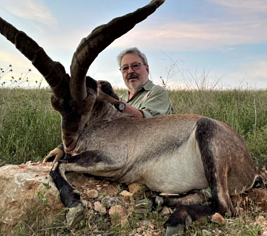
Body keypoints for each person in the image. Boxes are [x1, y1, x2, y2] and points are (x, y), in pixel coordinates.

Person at [43, 47, 173, 164]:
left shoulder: (157, 92)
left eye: (135, 66)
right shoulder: (122, 97)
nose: (130, 71)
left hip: (151, 159)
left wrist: (117, 102)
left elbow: (150, 125)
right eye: (125, 68)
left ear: (147, 68)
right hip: (122, 156)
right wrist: (63, 148)